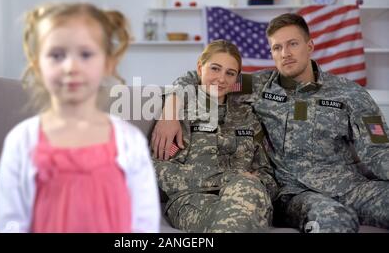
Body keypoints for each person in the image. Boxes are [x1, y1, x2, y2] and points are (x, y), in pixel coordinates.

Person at [152, 13, 389, 233]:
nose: (285, 53)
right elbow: (200, 77)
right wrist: (170, 112)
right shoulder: (258, 85)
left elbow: (379, 149)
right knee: (334, 219)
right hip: (296, 193)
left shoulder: (351, 93)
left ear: (310, 46)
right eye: (277, 47)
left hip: (349, 185)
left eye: (293, 44)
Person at [0, 2, 160, 233]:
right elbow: (10, 222)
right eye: (56, 55)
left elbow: (145, 223)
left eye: (85, 54)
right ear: (37, 65)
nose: (71, 66)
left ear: (107, 64)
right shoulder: (22, 141)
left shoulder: (129, 141)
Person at [153, 40, 278, 233]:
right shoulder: (180, 114)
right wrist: (227, 179)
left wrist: (249, 182)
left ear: (236, 78)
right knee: (241, 213)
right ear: (199, 68)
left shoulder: (247, 116)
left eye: (230, 73)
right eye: (215, 69)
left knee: (246, 195)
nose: (221, 78)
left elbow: (266, 174)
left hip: (247, 195)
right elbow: (161, 170)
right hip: (193, 200)